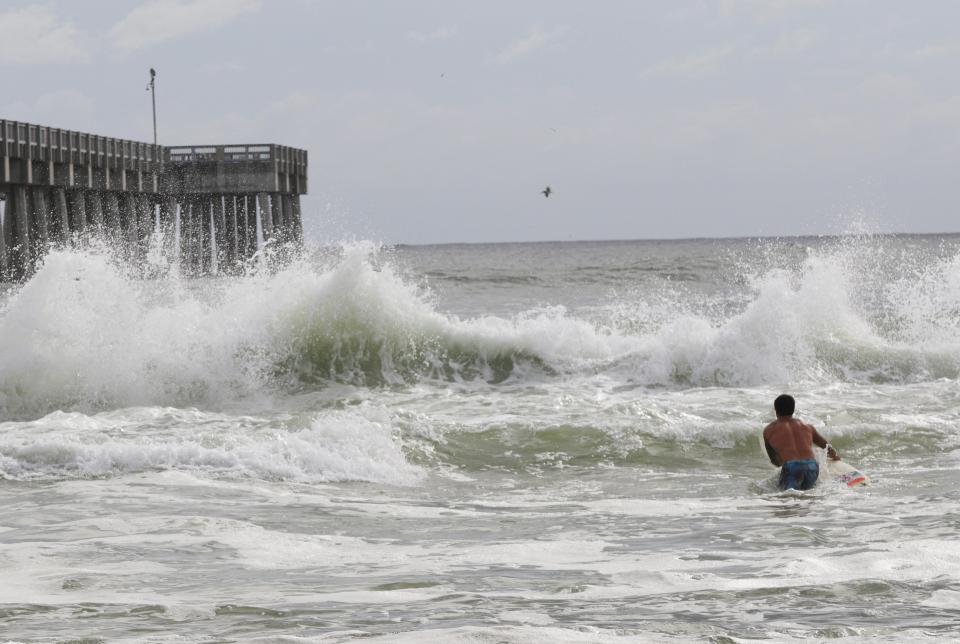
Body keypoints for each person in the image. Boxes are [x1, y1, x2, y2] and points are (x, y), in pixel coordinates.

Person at [763, 394, 839, 490]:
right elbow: (827, 447)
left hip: (792, 467)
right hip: (812, 465)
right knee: (806, 496)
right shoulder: (807, 427)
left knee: (788, 498)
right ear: (793, 409)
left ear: (775, 410)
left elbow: (774, 460)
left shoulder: (769, 430)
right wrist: (836, 457)